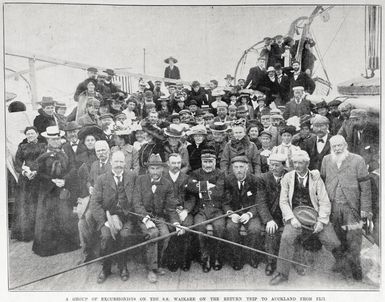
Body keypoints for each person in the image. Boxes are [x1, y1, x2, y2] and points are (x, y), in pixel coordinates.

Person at [270, 150, 341, 285]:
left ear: (307, 163)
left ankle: (343, 264)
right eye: (294, 162)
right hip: (295, 218)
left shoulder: (315, 177)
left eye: (300, 163)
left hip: (314, 217)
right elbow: (283, 202)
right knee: (286, 238)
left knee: (331, 240)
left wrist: (321, 221)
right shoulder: (288, 178)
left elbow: (324, 201)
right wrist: (291, 219)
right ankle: (282, 273)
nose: (297, 165)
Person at [321, 135, 372, 281]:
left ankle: (356, 267)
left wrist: (366, 208)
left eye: (340, 145)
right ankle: (341, 263)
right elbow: (323, 182)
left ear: (346, 145)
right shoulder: (326, 160)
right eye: (334, 146)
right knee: (336, 237)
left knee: (354, 238)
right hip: (333, 206)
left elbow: (365, 186)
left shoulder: (358, 160)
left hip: (352, 207)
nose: (337, 149)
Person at [89, 150, 137, 283]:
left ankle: (123, 267)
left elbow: (137, 198)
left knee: (124, 235)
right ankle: (106, 268)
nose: (118, 164)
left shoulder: (132, 176)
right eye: (116, 161)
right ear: (110, 163)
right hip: (107, 217)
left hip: (126, 217)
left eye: (121, 161)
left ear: (125, 163)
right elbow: (95, 203)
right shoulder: (102, 179)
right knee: (105, 236)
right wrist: (105, 221)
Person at [32, 126, 80, 256]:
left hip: (62, 191)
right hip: (48, 193)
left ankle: (67, 246)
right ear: (48, 140)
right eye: (53, 139)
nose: (56, 141)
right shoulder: (41, 154)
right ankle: (48, 248)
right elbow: (38, 173)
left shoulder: (66, 151)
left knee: (64, 216)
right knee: (48, 219)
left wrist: (64, 180)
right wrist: (52, 182)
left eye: (58, 138)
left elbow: (73, 168)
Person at [133, 154, 179, 283]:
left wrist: (176, 222)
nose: (155, 172)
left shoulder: (167, 184)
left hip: (159, 217)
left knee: (165, 234)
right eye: (152, 168)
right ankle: (151, 269)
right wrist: (146, 219)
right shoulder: (140, 180)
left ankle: (156, 264)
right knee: (153, 233)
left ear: (162, 169)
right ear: (148, 169)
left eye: (158, 168)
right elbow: (137, 203)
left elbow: (171, 208)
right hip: (143, 217)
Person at [186, 148, 226, 272]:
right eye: (205, 162)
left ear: (215, 162)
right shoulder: (195, 173)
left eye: (211, 162)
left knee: (219, 228)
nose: (208, 165)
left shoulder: (221, 173)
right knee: (199, 227)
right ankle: (205, 257)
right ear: (201, 162)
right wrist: (208, 185)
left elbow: (219, 191)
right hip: (201, 209)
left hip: (216, 209)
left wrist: (200, 186)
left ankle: (216, 256)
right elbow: (190, 187)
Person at [224, 156, 265, 270]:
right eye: (236, 167)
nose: (239, 170)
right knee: (231, 228)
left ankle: (252, 257)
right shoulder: (228, 180)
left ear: (247, 167)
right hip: (235, 214)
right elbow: (225, 202)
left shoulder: (255, 181)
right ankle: (237, 258)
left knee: (255, 229)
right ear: (232, 168)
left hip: (251, 214)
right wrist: (231, 213)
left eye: (241, 167)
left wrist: (249, 214)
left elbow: (259, 202)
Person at [77, 140, 111, 263]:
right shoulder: (95, 165)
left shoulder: (113, 165)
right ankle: (89, 251)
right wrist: (89, 187)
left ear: (108, 150)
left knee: (90, 216)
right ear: (96, 153)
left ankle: (97, 249)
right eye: (98, 151)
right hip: (94, 200)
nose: (101, 153)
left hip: (108, 202)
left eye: (103, 150)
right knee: (83, 221)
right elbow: (89, 181)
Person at [11, 126, 46, 242]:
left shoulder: (43, 145)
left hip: (39, 176)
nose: (30, 136)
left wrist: (37, 171)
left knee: (38, 203)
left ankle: (39, 233)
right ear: (26, 136)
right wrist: (25, 172)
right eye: (28, 134)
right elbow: (17, 163)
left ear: (37, 134)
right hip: (26, 179)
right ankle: (26, 234)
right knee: (26, 204)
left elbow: (45, 160)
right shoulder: (22, 147)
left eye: (32, 133)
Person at [162, 153, 195, 272]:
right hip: (168, 211)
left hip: (183, 211)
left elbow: (191, 197)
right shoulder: (162, 177)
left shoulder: (186, 178)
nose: (176, 166)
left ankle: (185, 260)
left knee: (187, 227)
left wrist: (186, 210)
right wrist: (170, 210)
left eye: (178, 163)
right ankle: (173, 260)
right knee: (171, 229)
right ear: (168, 164)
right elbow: (160, 198)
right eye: (173, 163)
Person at [259, 153, 287, 276]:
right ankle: (270, 262)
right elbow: (261, 201)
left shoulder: (290, 176)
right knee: (271, 231)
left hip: (286, 214)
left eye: (277, 165)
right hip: (271, 214)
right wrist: (268, 219)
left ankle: (290, 262)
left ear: (284, 166)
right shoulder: (263, 178)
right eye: (271, 165)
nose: (273, 168)